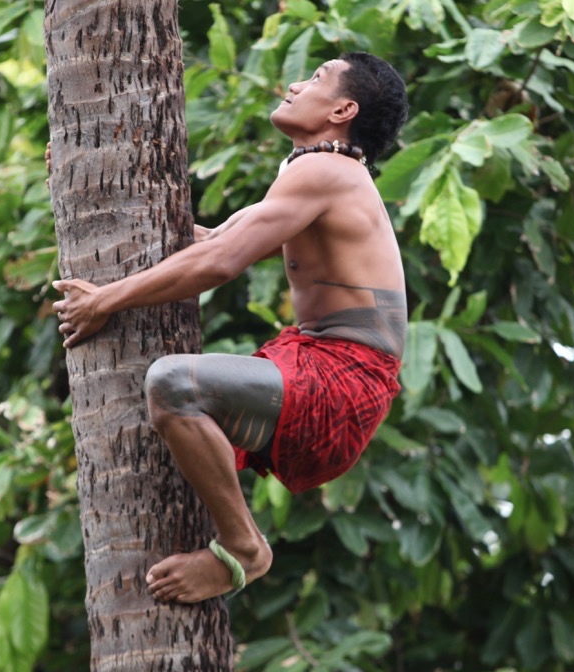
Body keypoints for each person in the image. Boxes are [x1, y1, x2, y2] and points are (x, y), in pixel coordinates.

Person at [51, 51, 409, 603]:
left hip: (342, 383)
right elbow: (206, 242)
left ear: (343, 108)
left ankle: (244, 547)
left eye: (314, 78)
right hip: (326, 370)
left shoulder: (327, 172)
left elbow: (218, 266)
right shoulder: (313, 169)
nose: (294, 84)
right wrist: (83, 175)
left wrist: (106, 302)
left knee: (175, 383)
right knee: (177, 386)